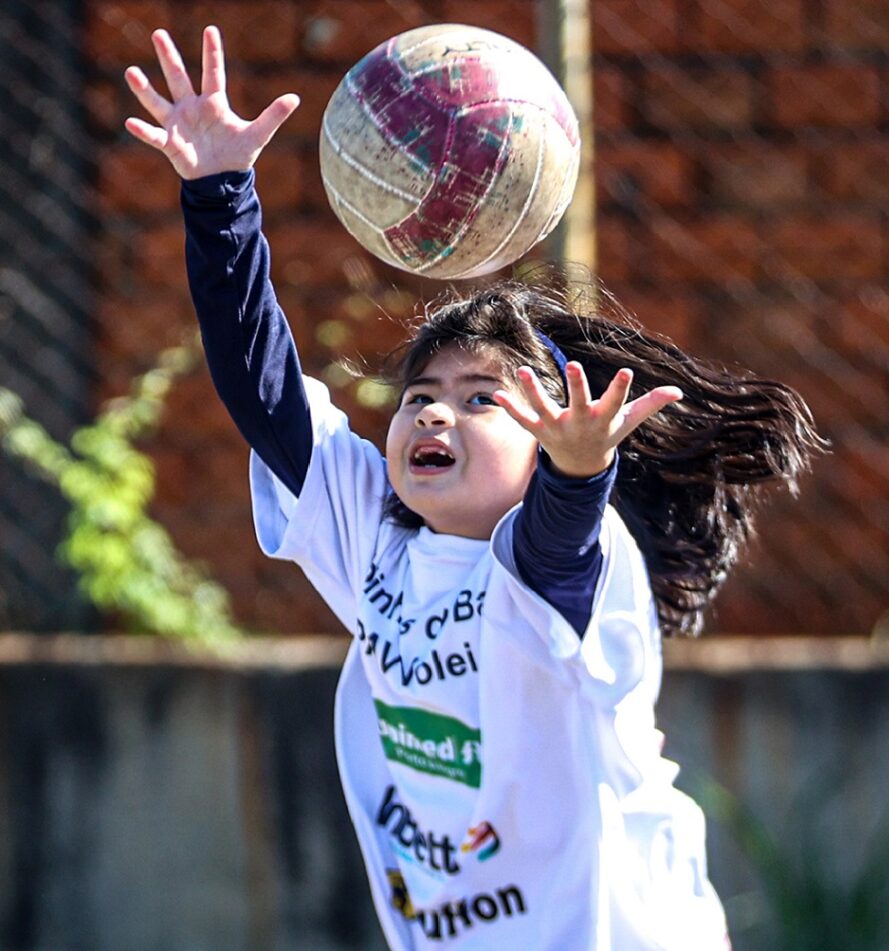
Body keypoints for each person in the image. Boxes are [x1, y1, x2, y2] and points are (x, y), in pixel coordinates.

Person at [125, 26, 822, 949]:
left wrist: (579, 470)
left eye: (479, 398)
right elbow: (264, 391)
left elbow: (553, 547)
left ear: (541, 438)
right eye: (420, 396)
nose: (435, 416)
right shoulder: (374, 538)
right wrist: (219, 192)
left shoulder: (573, 561)